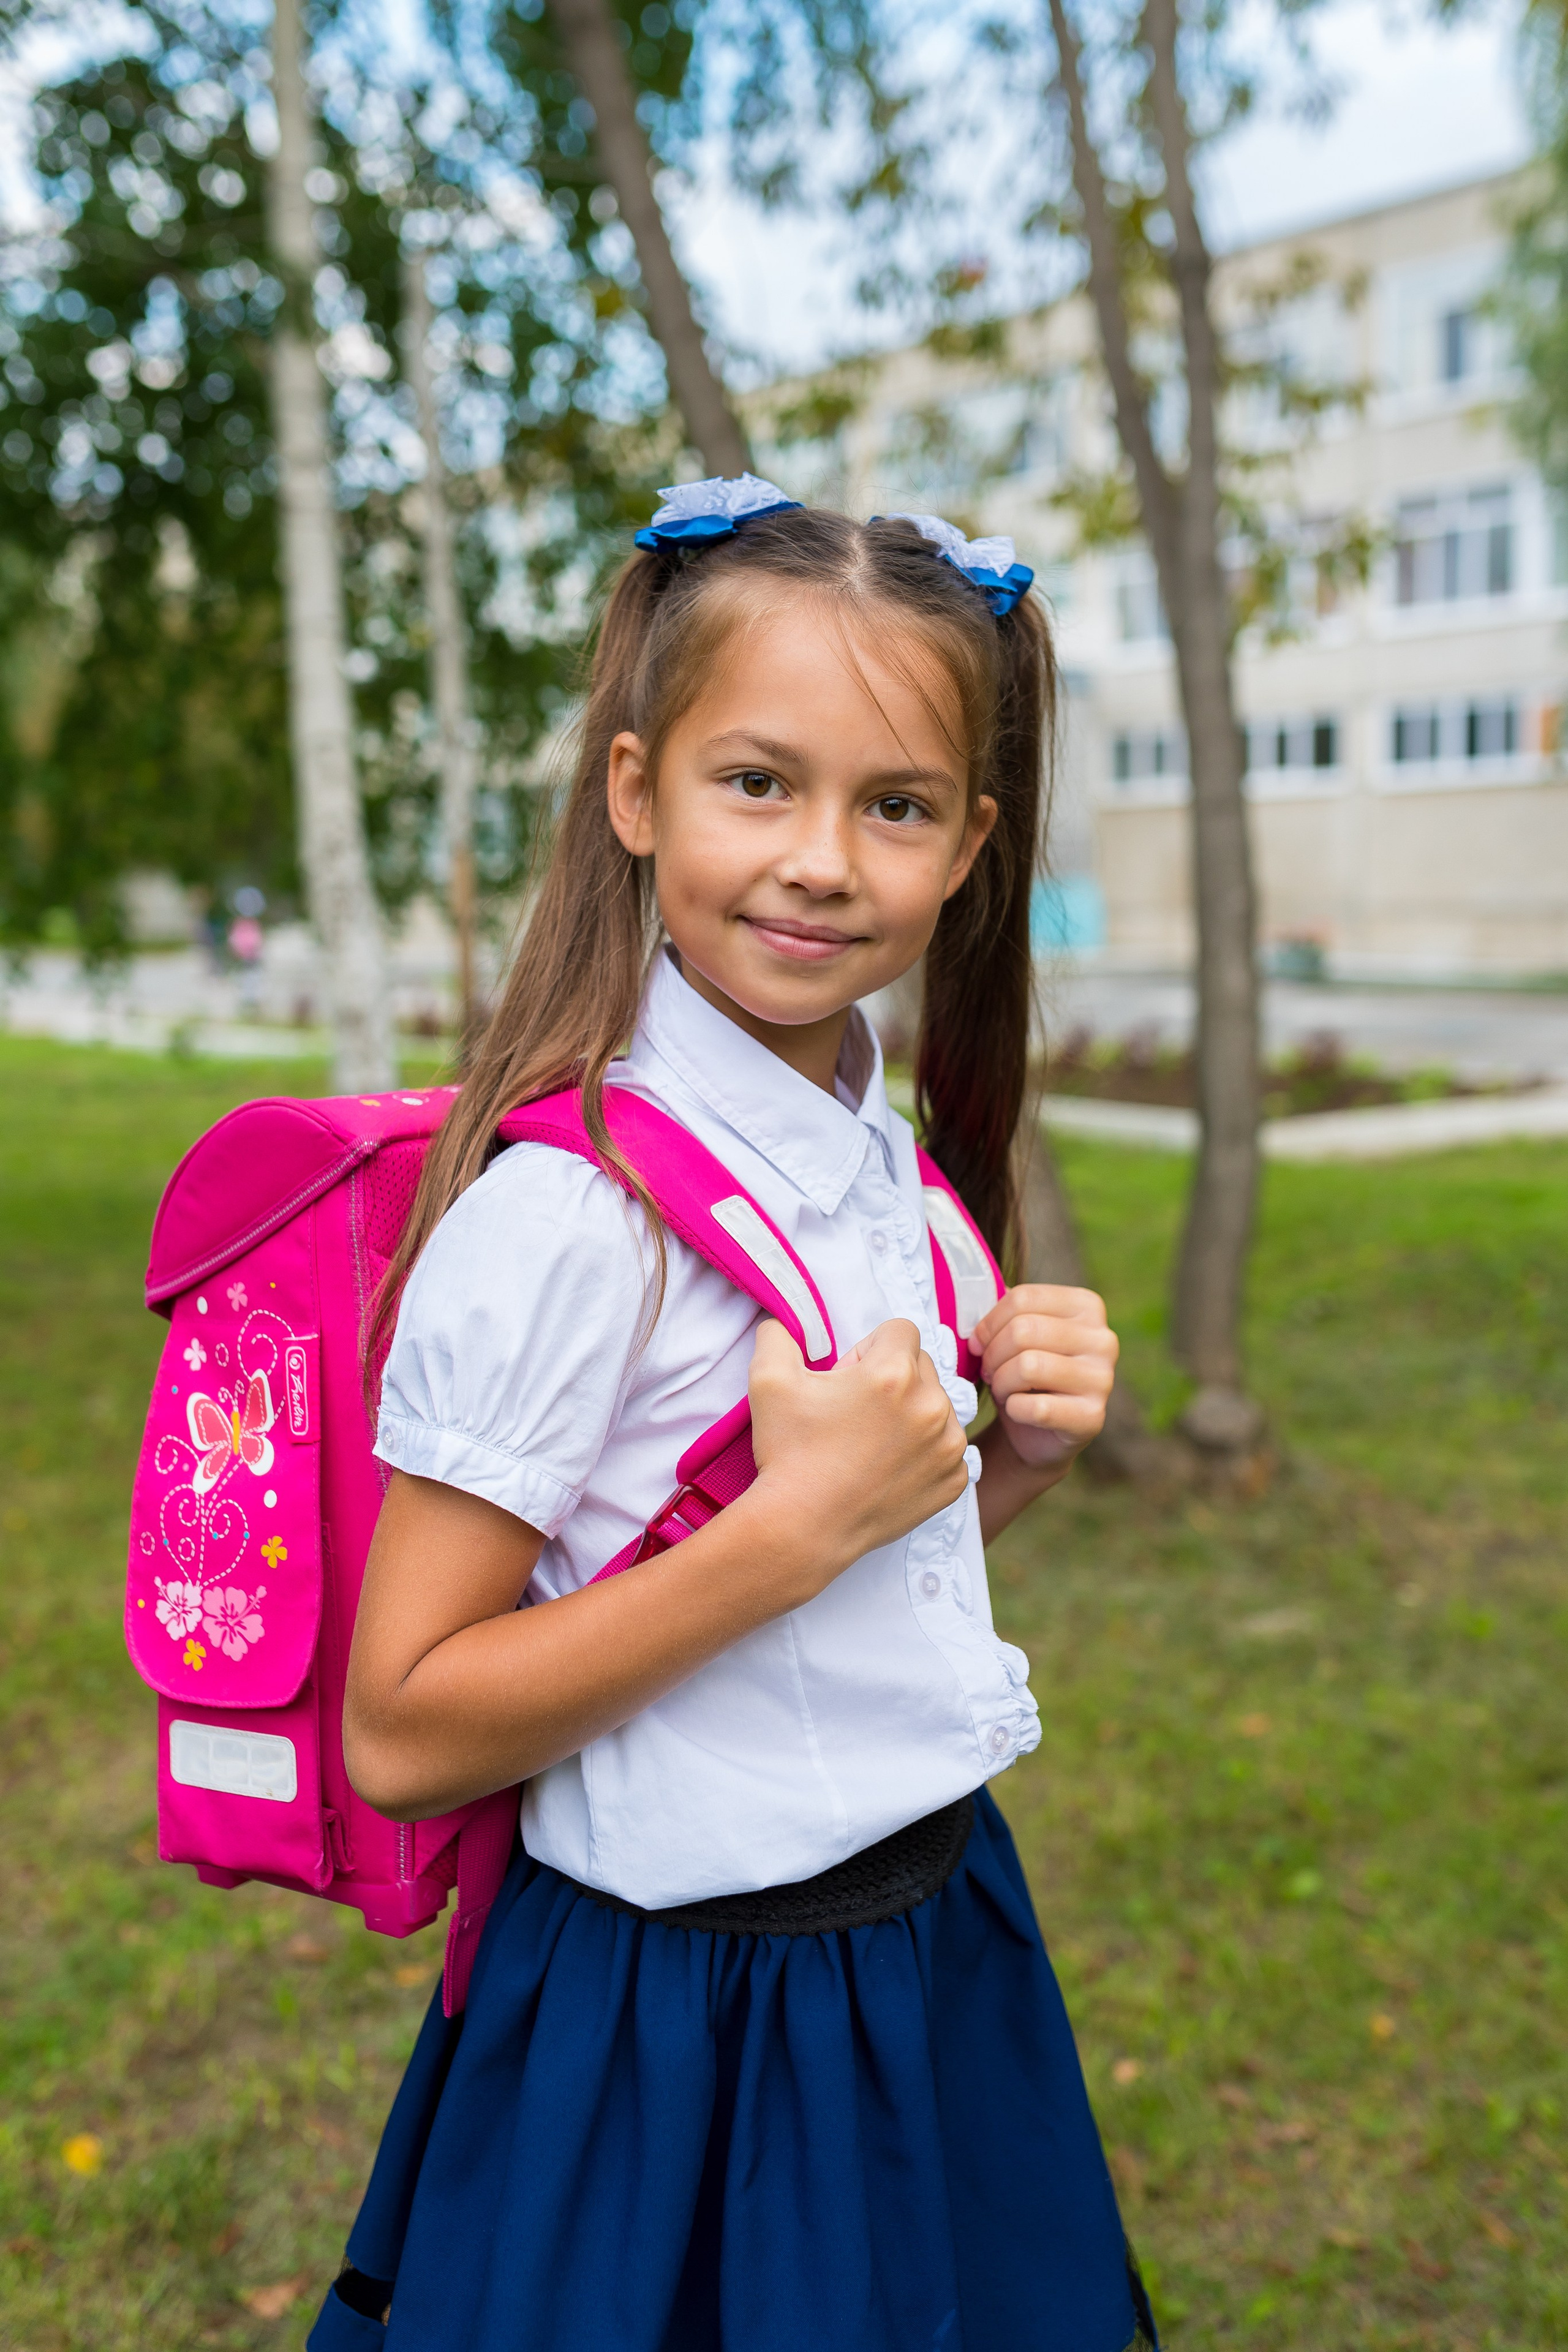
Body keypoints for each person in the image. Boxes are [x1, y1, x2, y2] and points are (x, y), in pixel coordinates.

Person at [311, 482, 1155, 2352]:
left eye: (897, 806)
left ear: (973, 845)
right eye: (758, 784)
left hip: (930, 1937)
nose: (823, 861)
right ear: (638, 793)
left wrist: (1004, 1466)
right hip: (679, 2015)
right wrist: (788, 1531)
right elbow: (405, 1730)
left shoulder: (883, 1164)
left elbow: (849, 1582)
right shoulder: (569, 1220)